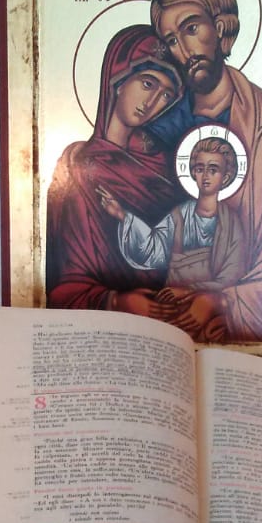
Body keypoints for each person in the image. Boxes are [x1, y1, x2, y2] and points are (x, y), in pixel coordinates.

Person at [149, 0, 262, 345]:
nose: (185, 50)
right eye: (172, 40)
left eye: (192, 28)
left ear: (221, 27)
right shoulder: (157, 131)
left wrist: (221, 303)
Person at [44, 26, 185, 315]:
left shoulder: (167, 167)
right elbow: (63, 283)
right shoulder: (76, 166)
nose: (152, 102)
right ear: (119, 79)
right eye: (148, 84)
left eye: (165, 95)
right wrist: (116, 301)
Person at [97, 136, 248, 322]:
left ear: (225, 177)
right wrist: (122, 215)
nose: (205, 176)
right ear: (193, 173)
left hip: (207, 308)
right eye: (200, 168)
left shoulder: (232, 223)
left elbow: (231, 278)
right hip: (171, 304)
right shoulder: (179, 215)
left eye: (213, 169)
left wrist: (188, 290)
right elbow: (153, 249)